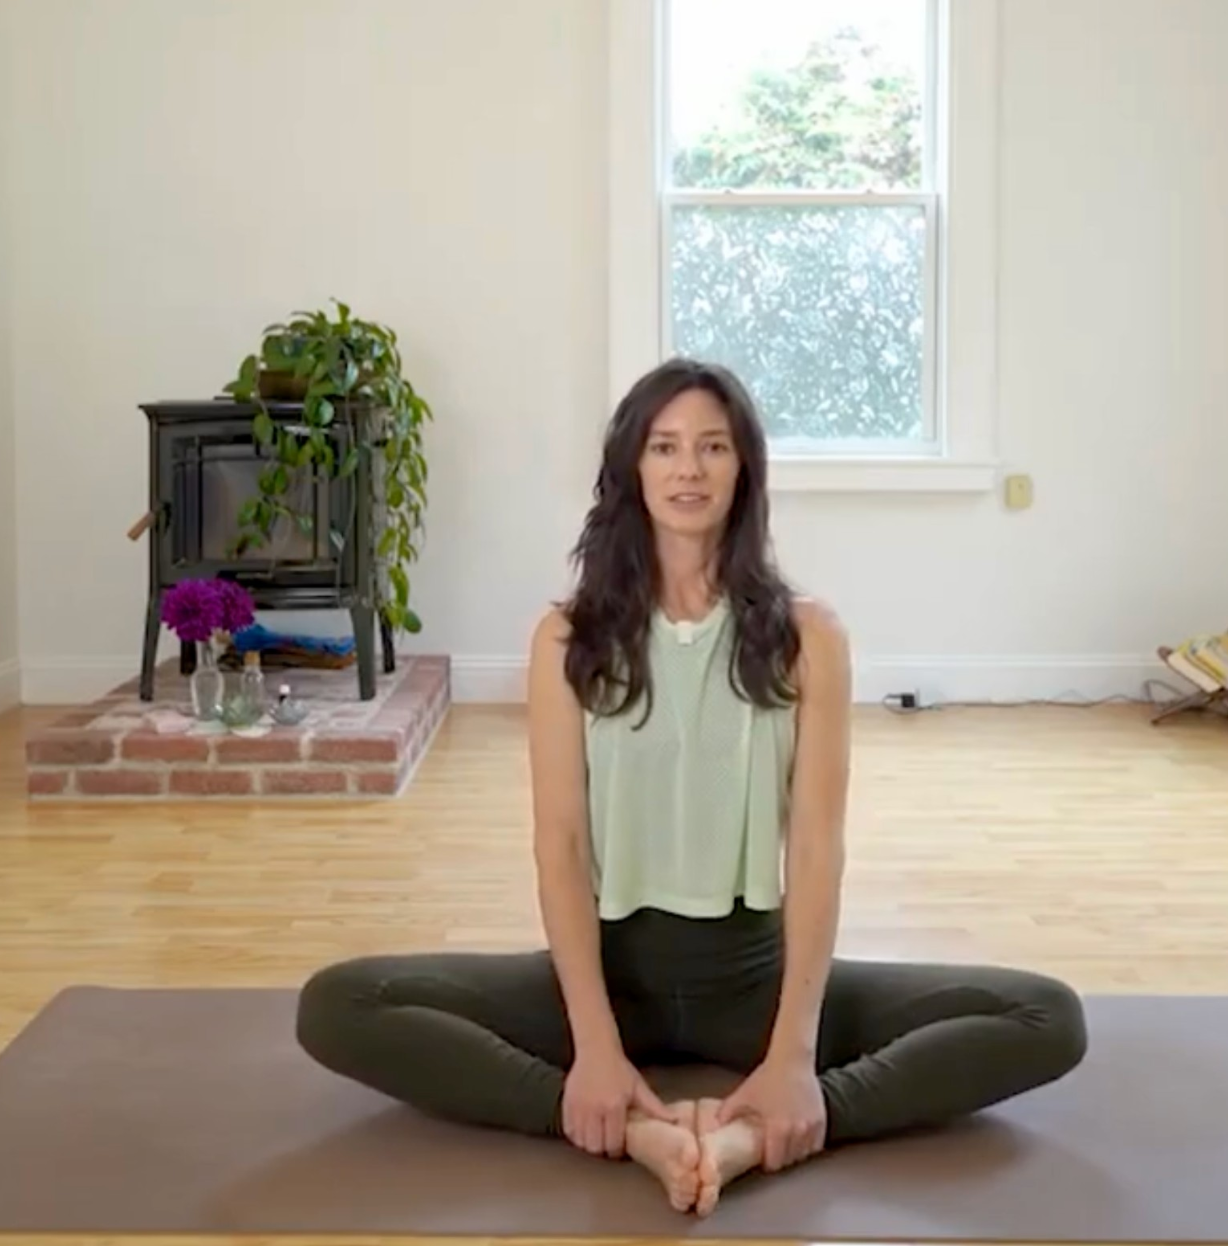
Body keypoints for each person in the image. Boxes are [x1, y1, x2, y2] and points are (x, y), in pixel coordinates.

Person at [294, 358, 1087, 1214]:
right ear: (632, 468)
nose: (689, 468)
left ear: (744, 468)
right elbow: (559, 846)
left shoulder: (808, 637)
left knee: (1048, 1017)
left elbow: (817, 847)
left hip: (756, 981)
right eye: (665, 446)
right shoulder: (568, 638)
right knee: (337, 1004)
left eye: (713, 447)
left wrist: (792, 1057)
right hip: (608, 977)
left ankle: (767, 1131)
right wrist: (594, 1050)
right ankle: (628, 1127)